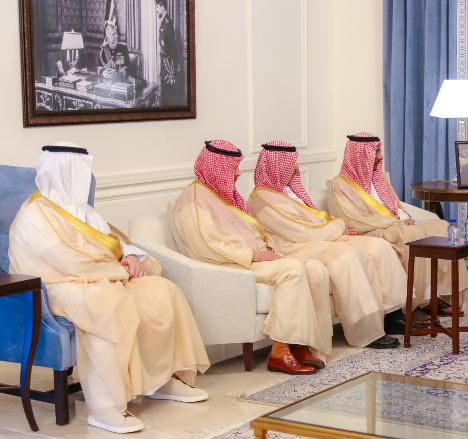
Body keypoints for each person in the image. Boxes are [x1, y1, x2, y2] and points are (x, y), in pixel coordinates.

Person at [8, 143, 210, 434]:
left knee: (163, 291)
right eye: (76, 173)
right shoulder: (35, 215)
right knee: (109, 307)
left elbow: (114, 240)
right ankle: (105, 407)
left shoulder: (81, 211)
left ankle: (162, 380)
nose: (83, 179)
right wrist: (118, 271)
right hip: (57, 285)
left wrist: (130, 257)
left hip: (101, 278)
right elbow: (68, 262)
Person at [173, 140, 332, 374]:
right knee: (292, 270)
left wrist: (269, 250)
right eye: (233, 168)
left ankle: (300, 342)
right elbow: (206, 245)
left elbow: (250, 230)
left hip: (250, 259)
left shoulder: (218, 193)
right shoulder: (195, 199)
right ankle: (279, 351)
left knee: (315, 268)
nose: (238, 173)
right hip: (228, 264)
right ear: (217, 167)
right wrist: (252, 255)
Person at [248, 141, 411, 350]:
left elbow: (316, 219)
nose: (296, 169)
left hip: (320, 238)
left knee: (378, 246)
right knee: (348, 255)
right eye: (291, 164)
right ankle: (366, 331)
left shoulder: (289, 191)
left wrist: (336, 227)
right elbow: (298, 231)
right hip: (295, 246)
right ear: (276, 167)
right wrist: (338, 228)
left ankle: (393, 314)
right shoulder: (263, 199)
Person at [327, 133, 468, 316]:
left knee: (441, 227)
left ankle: (439, 296)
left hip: (396, 225)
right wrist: (397, 222)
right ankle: (415, 304)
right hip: (373, 231)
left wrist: (405, 219)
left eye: (379, 151)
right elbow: (352, 219)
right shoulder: (340, 186)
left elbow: (394, 207)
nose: (380, 156)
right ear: (360, 155)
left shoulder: (378, 179)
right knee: (412, 235)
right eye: (375, 152)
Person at [155, 0, 185, 106]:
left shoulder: (168, 23)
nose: (156, 10)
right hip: (164, 60)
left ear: (162, 7)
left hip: (169, 63)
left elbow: (172, 45)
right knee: (165, 88)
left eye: (157, 7)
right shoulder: (164, 22)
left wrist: (175, 65)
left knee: (168, 91)